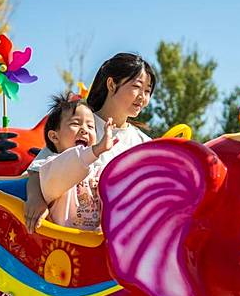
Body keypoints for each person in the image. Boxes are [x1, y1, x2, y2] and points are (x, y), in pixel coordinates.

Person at [24, 52, 156, 232]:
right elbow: (38, 170)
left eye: (147, 91)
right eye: (136, 87)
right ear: (111, 84)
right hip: (68, 235)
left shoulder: (144, 143)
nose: (143, 97)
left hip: (113, 239)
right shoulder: (80, 125)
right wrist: (35, 200)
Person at [31, 93, 116, 230]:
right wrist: (96, 149)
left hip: (92, 246)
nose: (84, 130)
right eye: (75, 123)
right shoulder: (50, 167)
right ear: (54, 136)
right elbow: (71, 164)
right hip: (62, 246)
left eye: (90, 126)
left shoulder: (99, 172)